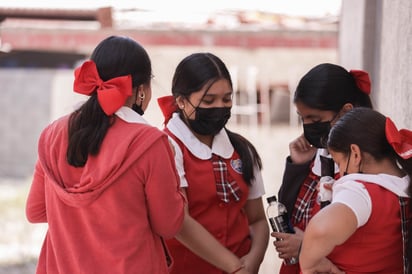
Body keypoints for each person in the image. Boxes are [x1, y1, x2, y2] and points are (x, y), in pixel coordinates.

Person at [25, 35, 187, 274]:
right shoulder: (150, 143)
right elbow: (169, 225)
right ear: (141, 90)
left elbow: (35, 211)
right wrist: (180, 185)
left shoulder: (52, 135)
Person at [157, 52, 269, 274]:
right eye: (209, 101)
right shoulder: (167, 147)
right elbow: (180, 223)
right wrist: (234, 267)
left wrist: (253, 260)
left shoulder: (242, 150)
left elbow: (257, 219)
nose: (220, 106)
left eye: (227, 99)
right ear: (181, 101)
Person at [273, 63, 373, 274]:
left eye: (315, 119)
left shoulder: (363, 170)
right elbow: (287, 214)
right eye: (303, 119)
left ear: (346, 112)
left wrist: (305, 246)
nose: (308, 127)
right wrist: (297, 167)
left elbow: (356, 244)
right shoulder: (318, 154)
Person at [299, 107, 412, 274]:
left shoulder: (358, 191)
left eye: (339, 164)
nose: (340, 173)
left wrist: (310, 265)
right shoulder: (404, 184)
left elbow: (319, 231)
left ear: (355, 154)